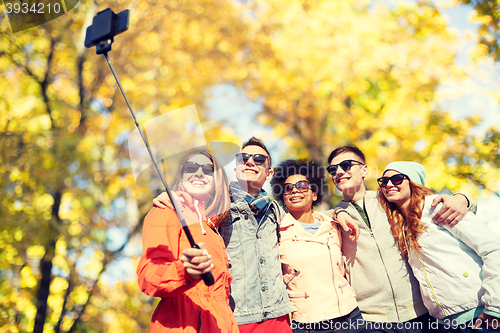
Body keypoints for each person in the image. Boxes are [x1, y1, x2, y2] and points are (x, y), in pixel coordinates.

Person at [326, 146, 477, 332]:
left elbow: (430, 202)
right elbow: (307, 219)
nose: (339, 172)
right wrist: (337, 211)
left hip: (420, 313)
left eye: (346, 165)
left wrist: (464, 198)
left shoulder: (390, 199)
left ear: (364, 170)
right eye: (333, 170)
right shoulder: (328, 218)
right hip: (371, 318)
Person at [153, 137, 293, 332]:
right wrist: (173, 196)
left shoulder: (277, 211)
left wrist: (340, 210)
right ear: (235, 169)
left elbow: (307, 224)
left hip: (278, 317)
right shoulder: (218, 205)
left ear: (269, 173)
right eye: (243, 158)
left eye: (259, 159)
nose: (250, 162)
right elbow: (193, 202)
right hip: (238, 318)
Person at [377, 161, 500, 332]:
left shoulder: (438, 207)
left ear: (413, 183)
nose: (389, 184)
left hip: (479, 316)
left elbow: (493, 249)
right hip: (442, 324)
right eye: (383, 181)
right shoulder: (398, 225)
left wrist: (495, 307)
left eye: (397, 179)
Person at [136, 150, 238, 332]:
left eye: (207, 169)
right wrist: (185, 271)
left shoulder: (213, 229)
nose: (198, 173)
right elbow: (148, 277)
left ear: (217, 181)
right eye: (191, 167)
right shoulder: (166, 211)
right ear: (181, 178)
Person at [270, 159, 366, 333]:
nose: (295, 191)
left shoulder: (333, 225)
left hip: (349, 317)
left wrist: (339, 211)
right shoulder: (276, 233)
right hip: (309, 323)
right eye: (288, 188)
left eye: (302, 186)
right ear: (283, 197)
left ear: (314, 194)